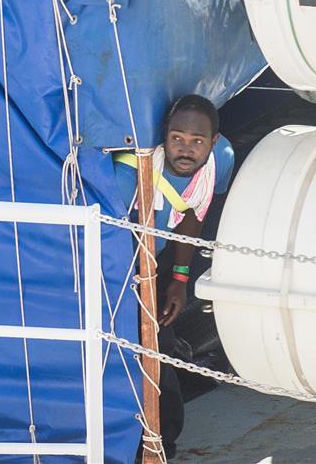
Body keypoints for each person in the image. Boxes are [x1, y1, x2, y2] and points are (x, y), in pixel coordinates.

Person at [113, 94, 234, 459]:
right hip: (118, 260)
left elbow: (195, 209)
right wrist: (145, 285)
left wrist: (179, 279)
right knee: (130, 348)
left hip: (163, 256)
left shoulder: (221, 159)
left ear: (213, 143)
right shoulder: (130, 171)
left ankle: (161, 445)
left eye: (197, 142)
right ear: (164, 134)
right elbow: (118, 237)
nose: (186, 149)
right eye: (177, 138)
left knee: (160, 348)